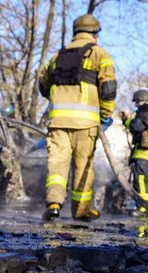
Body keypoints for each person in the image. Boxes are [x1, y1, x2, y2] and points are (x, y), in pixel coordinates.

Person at [38, 13, 117, 222]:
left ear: (76, 32)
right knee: (83, 167)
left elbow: (43, 86)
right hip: (86, 124)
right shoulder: (99, 54)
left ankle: (54, 204)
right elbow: (108, 88)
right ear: (95, 34)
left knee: (57, 165)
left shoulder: (57, 57)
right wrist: (106, 114)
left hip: (58, 123)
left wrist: (59, 96)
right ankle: (81, 212)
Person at [121, 89, 148, 216]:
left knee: (141, 179)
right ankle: (144, 206)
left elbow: (136, 126)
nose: (136, 105)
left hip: (145, 153)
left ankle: (144, 208)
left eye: (137, 101)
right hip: (143, 152)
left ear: (143, 100)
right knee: (142, 179)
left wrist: (127, 121)